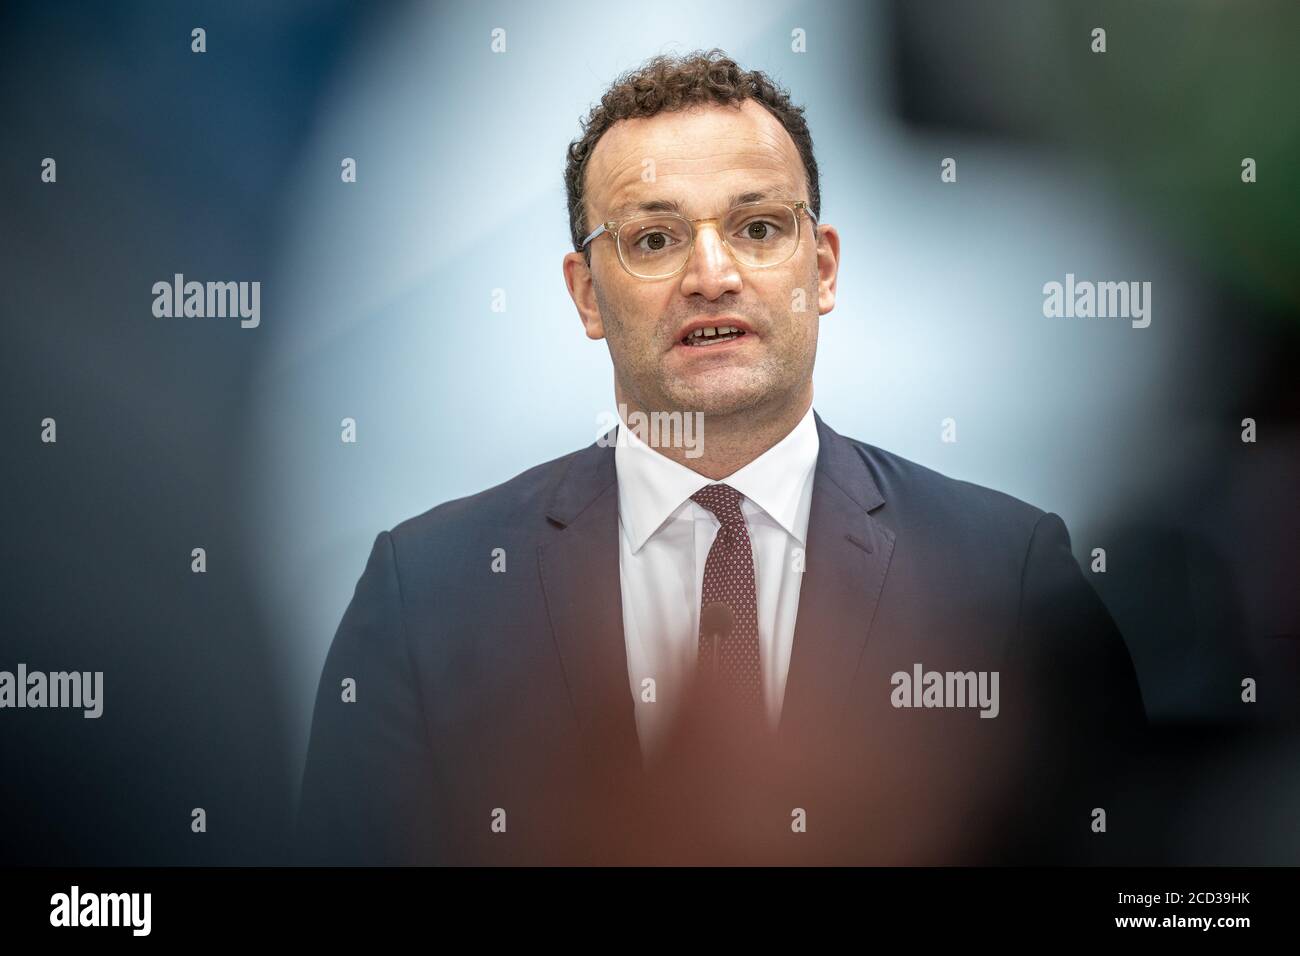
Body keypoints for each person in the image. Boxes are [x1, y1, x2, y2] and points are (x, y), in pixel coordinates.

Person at [294, 49, 1145, 866]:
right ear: (587, 293)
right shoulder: (426, 590)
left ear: (822, 269)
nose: (712, 273)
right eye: (655, 240)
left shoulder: (1008, 574)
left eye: (759, 226)